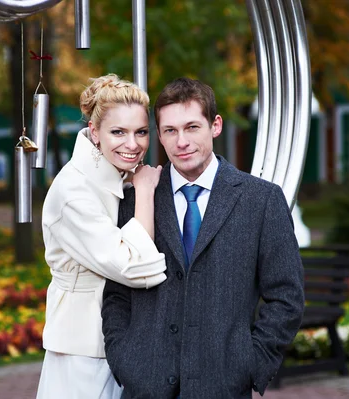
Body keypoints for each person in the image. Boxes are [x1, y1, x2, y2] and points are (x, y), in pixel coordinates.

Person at [102, 77, 305, 398]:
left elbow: (286, 295)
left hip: (224, 385)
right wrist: (125, 358)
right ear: (160, 135)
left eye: (192, 127)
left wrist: (251, 364)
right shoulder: (136, 200)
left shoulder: (260, 200)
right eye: (170, 130)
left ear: (216, 125)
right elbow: (116, 292)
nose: (181, 141)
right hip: (145, 385)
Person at [35, 74, 167, 399]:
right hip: (83, 346)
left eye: (140, 132)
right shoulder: (74, 191)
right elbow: (136, 268)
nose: (133, 144)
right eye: (118, 132)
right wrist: (146, 190)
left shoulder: (114, 175)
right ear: (95, 132)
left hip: (117, 339)